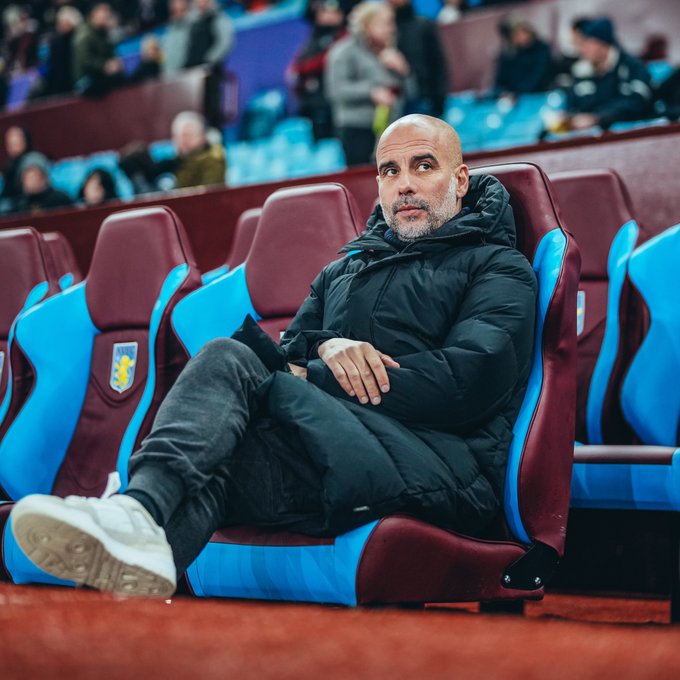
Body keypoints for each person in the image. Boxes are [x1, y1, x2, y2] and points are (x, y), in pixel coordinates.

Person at [11, 114, 537, 598]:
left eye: (423, 166)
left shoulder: (498, 268)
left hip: (445, 467)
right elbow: (290, 353)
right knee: (217, 454)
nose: (404, 184)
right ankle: (147, 541)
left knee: (229, 355)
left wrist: (320, 375)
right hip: (348, 449)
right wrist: (326, 347)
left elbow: (464, 384)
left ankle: (135, 512)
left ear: (461, 179)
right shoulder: (345, 271)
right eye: (389, 170)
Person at [325, 2, 413, 166]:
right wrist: (371, 92)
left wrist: (404, 71)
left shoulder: (392, 51)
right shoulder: (342, 52)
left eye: (392, 22)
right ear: (366, 25)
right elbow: (336, 91)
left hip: (393, 127)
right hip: (357, 129)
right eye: (385, 23)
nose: (392, 28)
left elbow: (412, 93)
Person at [562, 17, 654, 130]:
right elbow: (573, 104)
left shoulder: (632, 67)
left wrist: (598, 118)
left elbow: (638, 102)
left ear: (602, 44)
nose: (582, 50)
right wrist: (568, 118)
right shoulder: (581, 72)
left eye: (586, 44)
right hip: (590, 137)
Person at [119, 111, 226, 192]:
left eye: (188, 135)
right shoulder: (175, 161)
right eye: (177, 136)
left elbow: (207, 194)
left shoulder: (213, 160)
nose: (183, 141)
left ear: (202, 137)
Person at [288, 0, 347, 141]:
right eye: (323, 11)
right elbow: (295, 68)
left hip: (335, 103)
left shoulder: (344, 36)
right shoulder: (314, 39)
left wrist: (303, 69)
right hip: (313, 103)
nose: (328, 15)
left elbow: (325, 59)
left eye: (332, 11)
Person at [387, 0, 449, 117]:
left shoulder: (423, 25)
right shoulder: (386, 30)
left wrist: (439, 100)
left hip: (425, 99)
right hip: (397, 104)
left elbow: (438, 65)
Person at [72, 2, 127, 97]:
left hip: (100, 76)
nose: (107, 14)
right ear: (94, 14)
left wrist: (116, 63)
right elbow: (85, 59)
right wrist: (104, 66)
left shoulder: (104, 34)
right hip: (86, 80)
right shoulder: (85, 33)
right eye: (104, 11)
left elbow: (110, 53)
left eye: (108, 11)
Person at [493, 14, 553, 97]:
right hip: (514, 100)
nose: (523, 36)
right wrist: (502, 93)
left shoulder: (541, 49)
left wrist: (518, 93)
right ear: (510, 38)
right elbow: (499, 82)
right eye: (516, 34)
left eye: (524, 31)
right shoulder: (508, 55)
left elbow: (539, 77)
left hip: (537, 96)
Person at [0, 125, 32, 212]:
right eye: (10, 142)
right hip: (11, 202)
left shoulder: (33, 160)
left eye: (17, 140)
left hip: (27, 201)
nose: (13, 144)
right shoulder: (9, 163)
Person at [163, 0, 192, 75]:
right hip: (170, 78)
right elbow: (164, 58)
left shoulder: (195, 29)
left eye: (182, 10)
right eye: (174, 11)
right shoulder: (168, 33)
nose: (178, 14)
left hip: (189, 74)